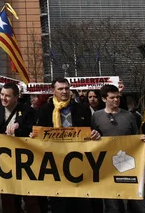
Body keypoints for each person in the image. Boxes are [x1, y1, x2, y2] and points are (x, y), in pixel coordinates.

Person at [35, 78, 100, 213]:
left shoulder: (82, 109)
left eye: (66, 88)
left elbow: (91, 129)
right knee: (59, 202)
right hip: (55, 162)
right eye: (60, 89)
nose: (64, 91)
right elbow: (39, 133)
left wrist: (95, 134)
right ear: (53, 91)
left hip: (78, 160)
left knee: (81, 202)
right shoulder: (44, 110)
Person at [0, 83, 39, 213]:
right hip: (4, 159)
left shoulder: (28, 111)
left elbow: (34, 129)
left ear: (16, 97)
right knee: (7, 197)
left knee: (30, 197)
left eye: (8, 96)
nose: (3, 98)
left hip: (24, 160)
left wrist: (20, 127)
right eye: (2, 95)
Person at [92, 84, 145, 213]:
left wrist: (143, 140)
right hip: (107, 166)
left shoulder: (129, 116)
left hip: (129, 164)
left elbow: (136, 137)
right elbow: (93, 139)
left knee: (138, 201)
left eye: (117, 97)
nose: (116, 100)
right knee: (112, 204)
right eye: (112, 97)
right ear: (104, 99)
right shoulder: (96, 116)